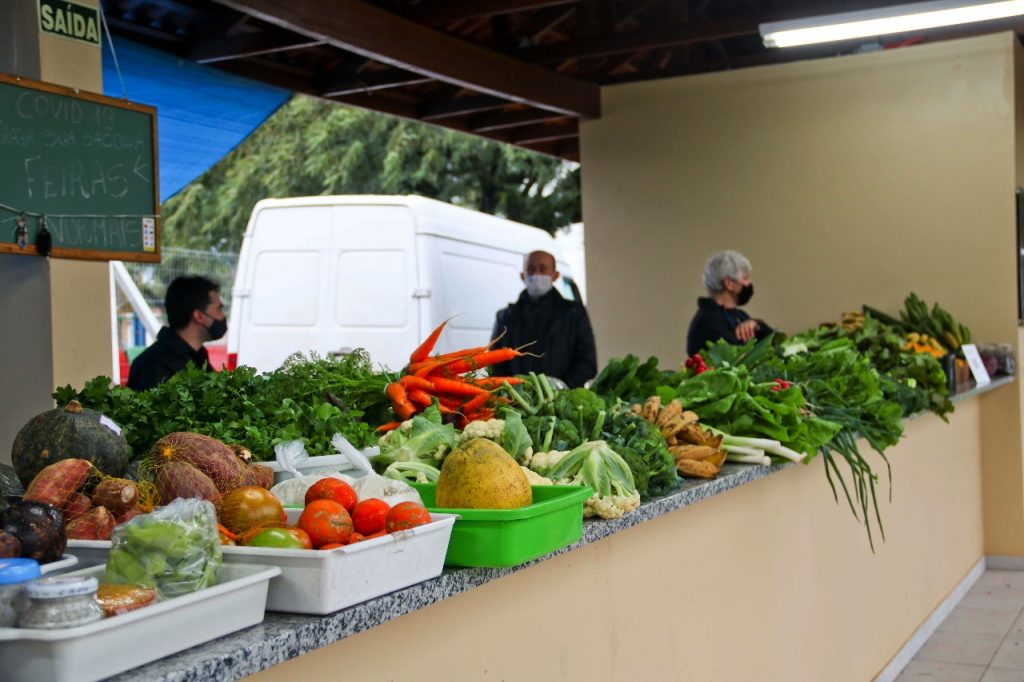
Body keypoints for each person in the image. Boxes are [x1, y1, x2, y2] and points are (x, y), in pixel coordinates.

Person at [490, 250, 597, 388]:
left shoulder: (574, 313)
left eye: (543, 268)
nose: (536, 274)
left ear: (555, 275)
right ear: (522, 275)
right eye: (531, 269)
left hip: (564, 398)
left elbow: (587, 362)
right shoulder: (506, 317)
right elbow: (495, 362)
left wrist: (559, 389)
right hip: (516, 398)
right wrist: (514, 391)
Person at [128, 275, 227, 391]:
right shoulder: (153, 365)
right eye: (219, 309)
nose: (222, 316)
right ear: (199, 316)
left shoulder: (198, 356)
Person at [686, 250, 774, 357]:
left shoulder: (740, 315)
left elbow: (778, 345)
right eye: (745, 278)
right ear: (729, 284)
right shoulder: (706, 323)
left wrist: (757, 325)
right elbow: (740, 358)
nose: (749, 283)